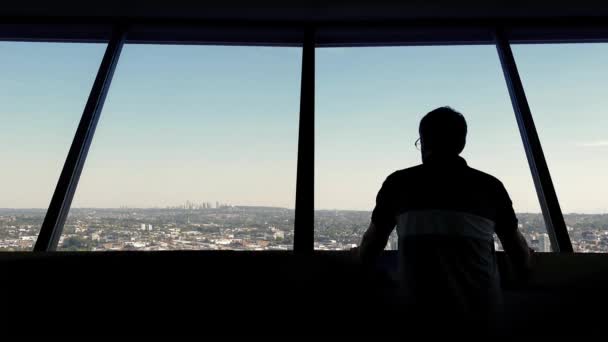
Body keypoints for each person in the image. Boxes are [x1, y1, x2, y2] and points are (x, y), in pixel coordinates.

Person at [355, 106, 534, 334]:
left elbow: (369, 249)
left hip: (418, 316)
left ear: (424, 142)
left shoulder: (398, 184)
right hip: (482, 318)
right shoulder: (490, 187)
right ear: (462, 143)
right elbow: (520, 257)